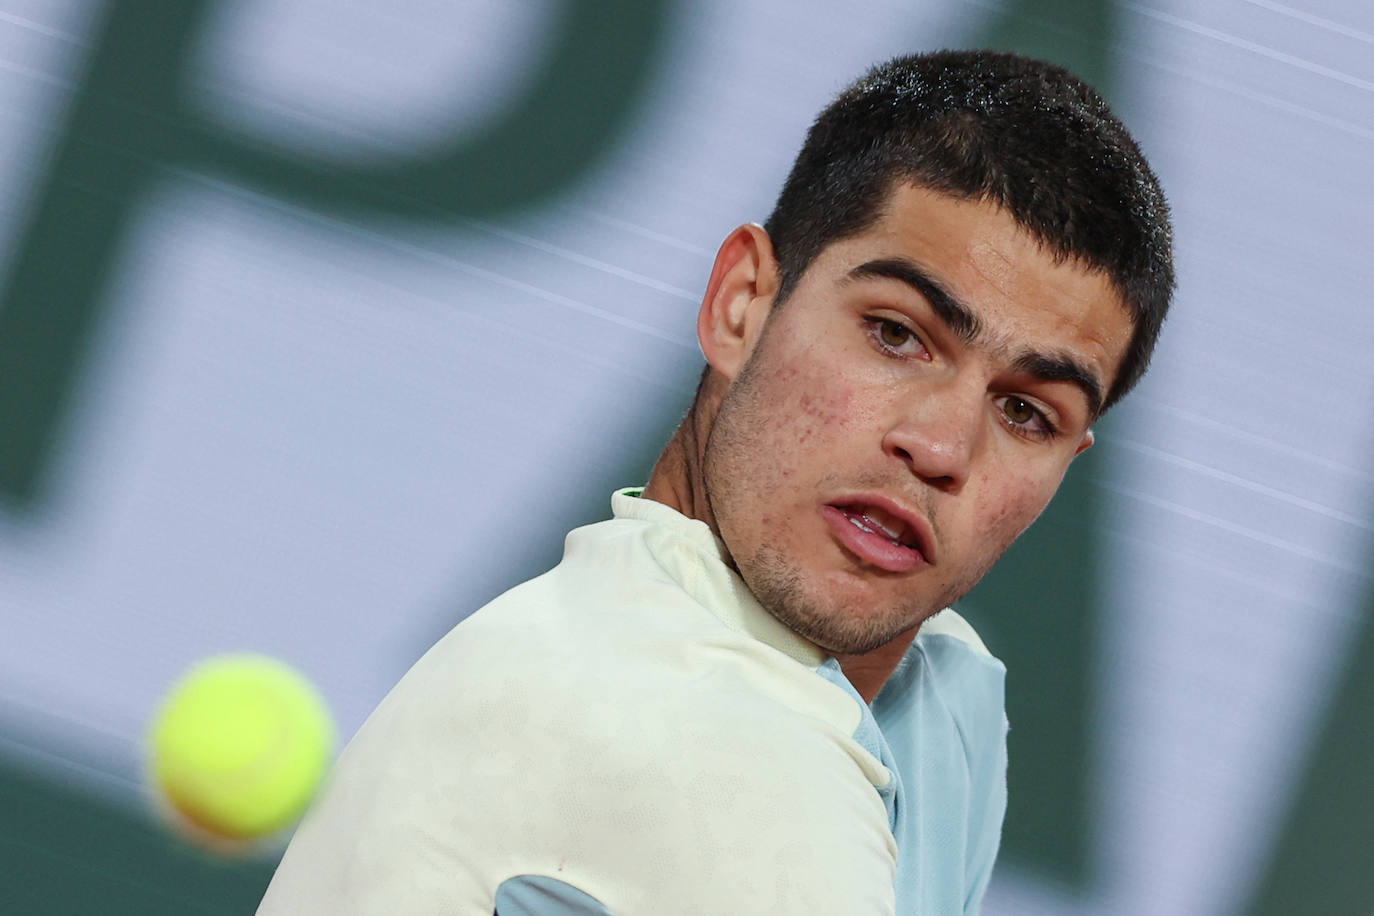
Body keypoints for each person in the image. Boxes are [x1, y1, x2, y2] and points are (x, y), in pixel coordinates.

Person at [257, 49, 1173, 915]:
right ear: (741, 306)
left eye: (1027, 412)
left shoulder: (942, 704)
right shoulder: (714, 739)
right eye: (897, 333)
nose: (941, 447)